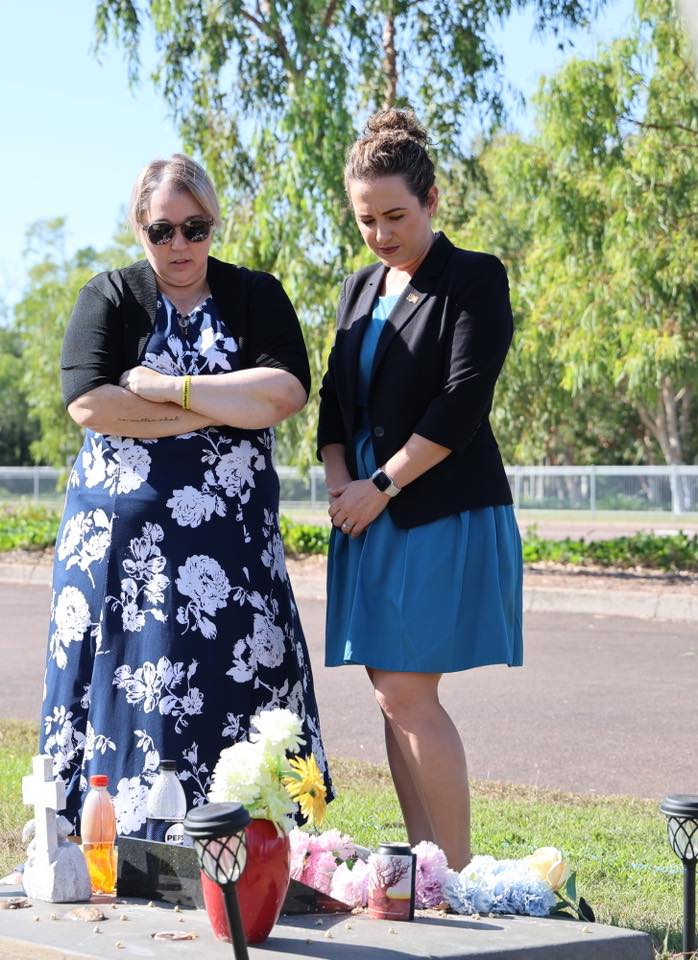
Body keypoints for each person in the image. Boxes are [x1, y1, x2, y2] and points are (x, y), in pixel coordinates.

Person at [40, 154, 331, 837]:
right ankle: (114, 840)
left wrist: (172, 391)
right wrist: (227, 407)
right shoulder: (107, 295)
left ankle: (250, 839)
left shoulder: (256, 294)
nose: (179, 246)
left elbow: (285, 391)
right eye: (162, 230)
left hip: (232, 550)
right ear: (139, 229)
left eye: (195, 229)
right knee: (128, 688)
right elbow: (89, 404)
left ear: (214, 224)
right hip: (120, 556)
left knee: (237, 682)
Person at [317, 110, 522, 870]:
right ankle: (424, 868)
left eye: (396, 215)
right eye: (366, 219)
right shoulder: (356, 288)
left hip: (434, 503)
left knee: (407, 690)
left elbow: (462, 402)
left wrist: (378, 485)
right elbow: (335, 406)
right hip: (365, 513)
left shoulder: (474, 278)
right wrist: (342, 487)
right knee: (387, 694)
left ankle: (457, 879)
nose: (380, 233)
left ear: (434, 200)